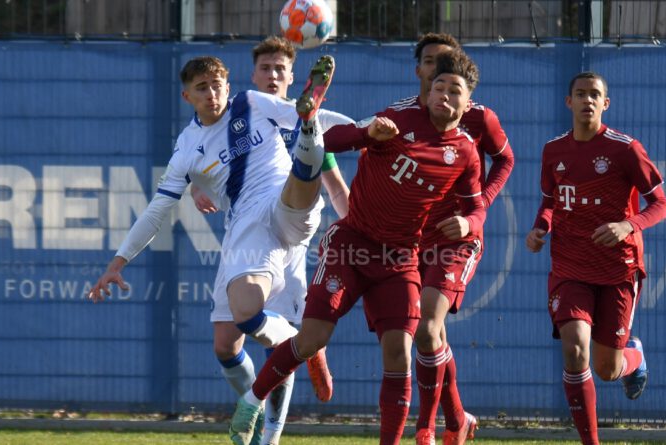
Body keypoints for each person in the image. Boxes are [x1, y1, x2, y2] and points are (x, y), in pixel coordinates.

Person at [229, 49, 487, 445]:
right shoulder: (398, 118)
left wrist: (469, 222)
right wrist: (367, 135)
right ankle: (251, 401)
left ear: (468, 104)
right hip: (352, 245)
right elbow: (327, 142)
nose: (444, 96)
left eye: (455, 91)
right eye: (439, 87)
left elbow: (475, 206)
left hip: (400, 258)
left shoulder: (466, 151)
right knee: (311, 338)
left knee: (399, 352)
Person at [86, 54, 343, 445]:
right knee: (228, 340)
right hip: (245, 228)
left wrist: (368, 129)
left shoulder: (251, 103)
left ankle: (269, 436)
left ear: (228, 85)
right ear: (187, 96)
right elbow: (157, 210)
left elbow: (321, 118)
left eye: (217, 85)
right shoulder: (187, 149)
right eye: (202, 88)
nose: (212, 93)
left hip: (282, 213)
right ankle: (300, 344)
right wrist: (117, 263)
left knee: (305, 148)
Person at [189, 37, 352, 445]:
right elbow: (198, 160)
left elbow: (335, 188)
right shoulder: (236, 116)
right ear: (253, 75)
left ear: (292, 77)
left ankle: (270, 437)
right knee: (225, 345)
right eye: (266, 68)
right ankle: (267, 393)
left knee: (277, 349)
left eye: (281, 69)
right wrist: (194, 186)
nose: (273, 75)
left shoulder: (305, 125)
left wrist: (356, 225)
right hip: (244, 237)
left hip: (287, 243)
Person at [525, 72, 666, 445]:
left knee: (607, 369)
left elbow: (660, 204)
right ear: (569, 102)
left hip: (618, 268)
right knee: (575, 349)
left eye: (595, 95)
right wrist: (540, 227)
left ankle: (633, 358)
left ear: (605, 103)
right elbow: (550, 201)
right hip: (570, 266)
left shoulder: (626, 149)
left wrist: (628, 225)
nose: (587, 100)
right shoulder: (553, 150)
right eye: (580, 94)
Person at [389, 32, 515, 445]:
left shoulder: (478, 117)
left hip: (458, 237)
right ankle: (458, 419)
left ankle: (426, 427)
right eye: (431, 63)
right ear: (419, 70)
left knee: (427, 327)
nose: (439, 71)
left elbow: (505, 159)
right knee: (433, 334)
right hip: (413, 237)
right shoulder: (402, 116)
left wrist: (477, 212)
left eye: (448, 63)